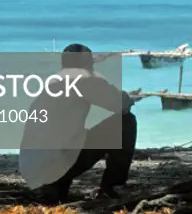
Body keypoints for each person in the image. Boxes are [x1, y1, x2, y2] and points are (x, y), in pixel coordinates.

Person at [19, 43, 139, 203]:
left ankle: (55, 185)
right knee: (125, 122)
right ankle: (112, 187)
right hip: (56, 162)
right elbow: (122, 105)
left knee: (74, 135)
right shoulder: (83, 79)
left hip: (34, 166)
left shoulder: (55, 80)